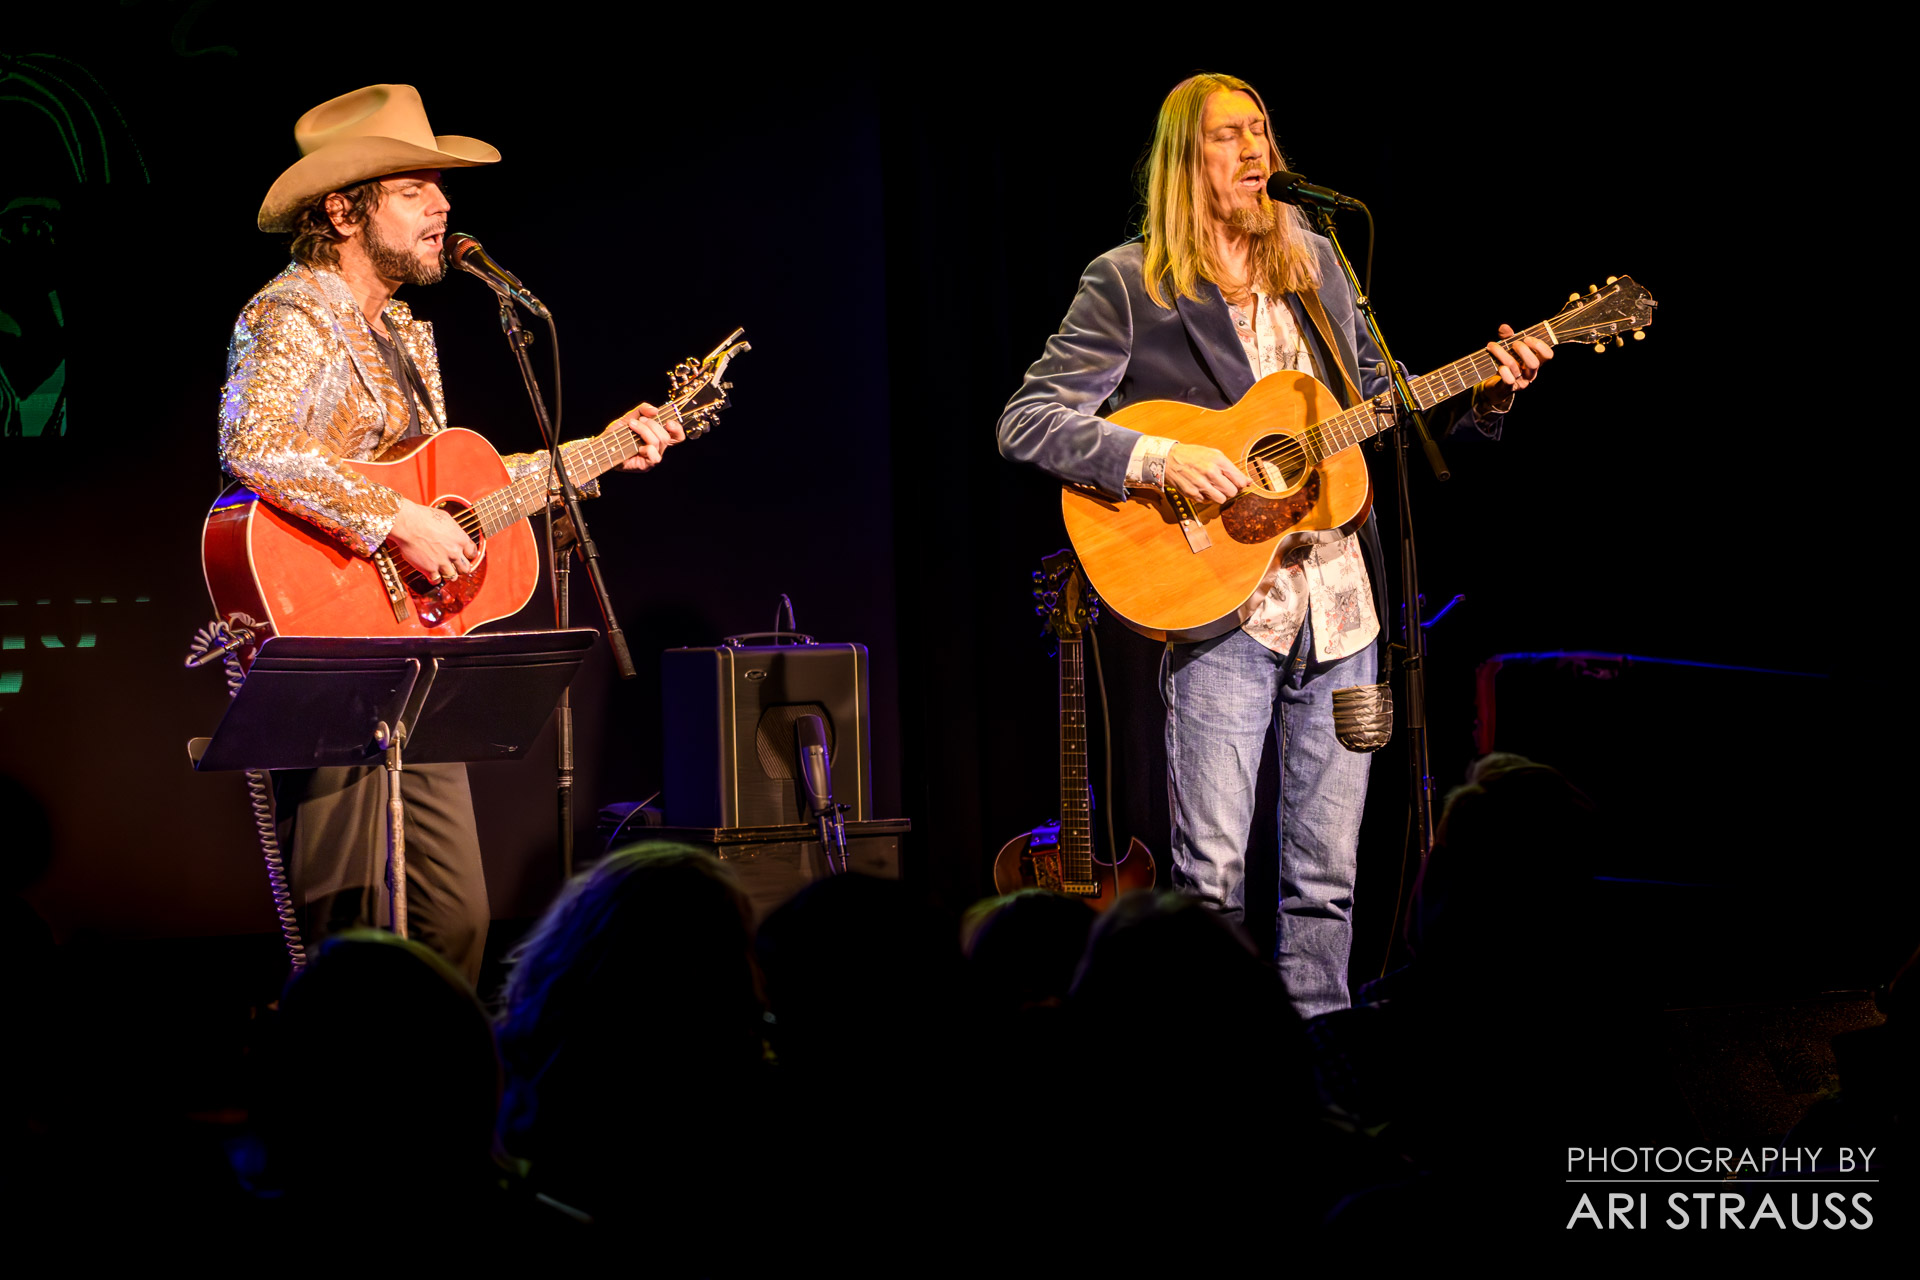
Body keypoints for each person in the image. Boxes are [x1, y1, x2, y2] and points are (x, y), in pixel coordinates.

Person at [996, 72, 1552, 1018]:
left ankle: (1323, 1087)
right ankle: (1207, 1083)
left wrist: (1488, 390)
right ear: (1186, 159)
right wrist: (1161, 456)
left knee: (1326, 881)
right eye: (1229, 137)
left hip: (1341, 611)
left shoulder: (1318, 269)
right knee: (1211, 880)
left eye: (1262, 132)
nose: (1256, 152)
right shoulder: (1130, 282)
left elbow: (1389, 408)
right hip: (1223, 610)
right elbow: (1028, 421)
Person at [220, 84, 681, 981]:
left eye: (441, 187)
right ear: (343, 209)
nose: (442, 205)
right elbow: (254, 442)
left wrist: (600, 449)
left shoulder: (403, 330)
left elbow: (448, 491)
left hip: (418, 650)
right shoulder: (290, 313)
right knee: (356, 927)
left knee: (455, 918)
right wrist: (392, 520)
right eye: (414, 188)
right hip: (332, 634)